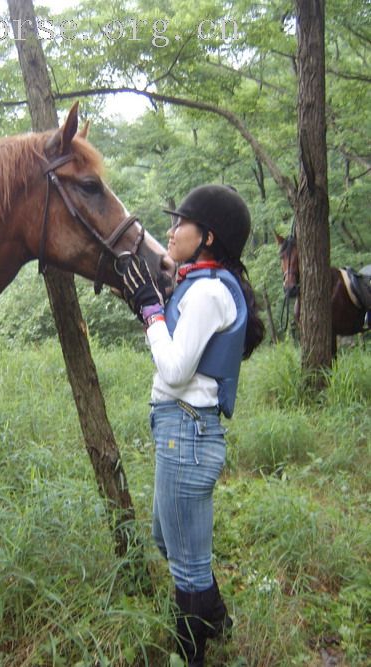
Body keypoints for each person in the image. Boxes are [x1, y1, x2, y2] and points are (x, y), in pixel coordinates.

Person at [121, 184, 265, 666]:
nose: (171, 229)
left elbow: (176, 370)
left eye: (180, 222)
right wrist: (157, 306)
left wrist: (151, 316)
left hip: (187, 431)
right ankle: (218, 618)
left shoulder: (206, 291)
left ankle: (192, 653)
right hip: (180, 431)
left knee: (186, 565)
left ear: (207, 236)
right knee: (167, 539)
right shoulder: (200, 283)